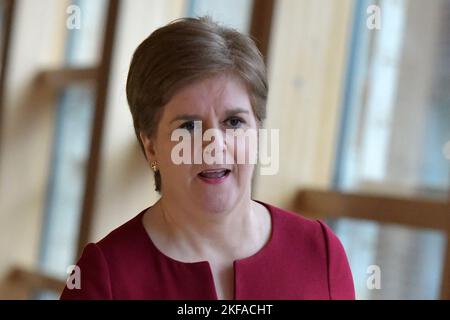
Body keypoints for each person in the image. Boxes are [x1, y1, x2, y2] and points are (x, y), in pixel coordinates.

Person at [60, 16, 355, 300]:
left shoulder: (321, 253)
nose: (215, 145)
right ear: (151, 147)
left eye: (234, 122)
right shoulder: (104, 278)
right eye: (189, 126)